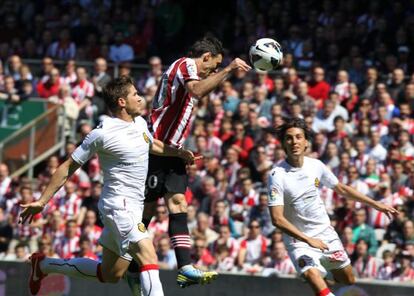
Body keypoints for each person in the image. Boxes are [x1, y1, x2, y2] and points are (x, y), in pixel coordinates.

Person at [19, 76, 196, 296]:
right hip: (118, 207)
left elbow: (152, 145)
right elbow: (67, 167)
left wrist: (179, 153)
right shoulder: (102, 133)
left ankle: (44, 265)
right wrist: (42, 201)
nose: (140, 99)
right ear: (122, 102)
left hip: (132, 207)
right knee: (148, 255)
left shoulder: (139, 123)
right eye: (135, 95)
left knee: (111, 273)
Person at [127, 36, 251, 288]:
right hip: (156, 150)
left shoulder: (189, 72)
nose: (212, 71)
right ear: (205, 57)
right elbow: (196, 90)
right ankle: (131, 269)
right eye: (212, 66)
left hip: (174, 152)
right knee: (147, 210)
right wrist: (228, 70)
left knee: (178, 202)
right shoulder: (184, 65)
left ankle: (184, 267)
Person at [267, 118, 398, 296]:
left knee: (349, 280)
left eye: (299, 137)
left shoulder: (316, 165)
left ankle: (319, 272)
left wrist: (376, 204)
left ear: (306, 141)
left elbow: (341, 188)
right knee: (311, 273)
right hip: (299, 241)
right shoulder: (277, 175)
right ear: (283, 143)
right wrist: (308, 240)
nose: (294, 142)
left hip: (325, 234)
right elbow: (277, 219)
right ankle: (310, 271)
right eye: (289, 138)